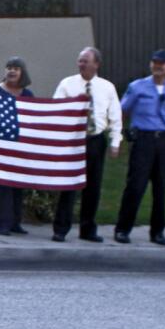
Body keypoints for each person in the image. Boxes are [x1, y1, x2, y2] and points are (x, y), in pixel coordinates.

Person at [114, 49, 165, 246]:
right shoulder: (137, 87)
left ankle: (158, 232)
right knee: (135, 186)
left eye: (162, 63)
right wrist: (119, 135)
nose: (157, 66)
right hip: (143, 140)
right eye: (154, 62)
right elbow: (122, 110)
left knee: (161, 188)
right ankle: (123, 229)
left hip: (163, 140)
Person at [51, 47, 122, 243]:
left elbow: (115, 116)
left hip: (96, 139)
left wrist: (116, 141)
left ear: (96, 64)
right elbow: (56, 110)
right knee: (69, 186)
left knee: (93, 186)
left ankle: (87, 229)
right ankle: (60, 229)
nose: (81, 64)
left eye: (85, 61)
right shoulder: (67, 84)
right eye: (80, 60)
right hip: (73, 139)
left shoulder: (107, 87)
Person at [0, 57, 35, 236]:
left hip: (19, 148)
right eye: (9, 67)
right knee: (0, 186)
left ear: (22, 72)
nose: (11, 71)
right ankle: (0, 223)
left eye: (16, 68)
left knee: (17, 186)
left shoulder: (28, 95)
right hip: (0, 146)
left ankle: (15, 222)